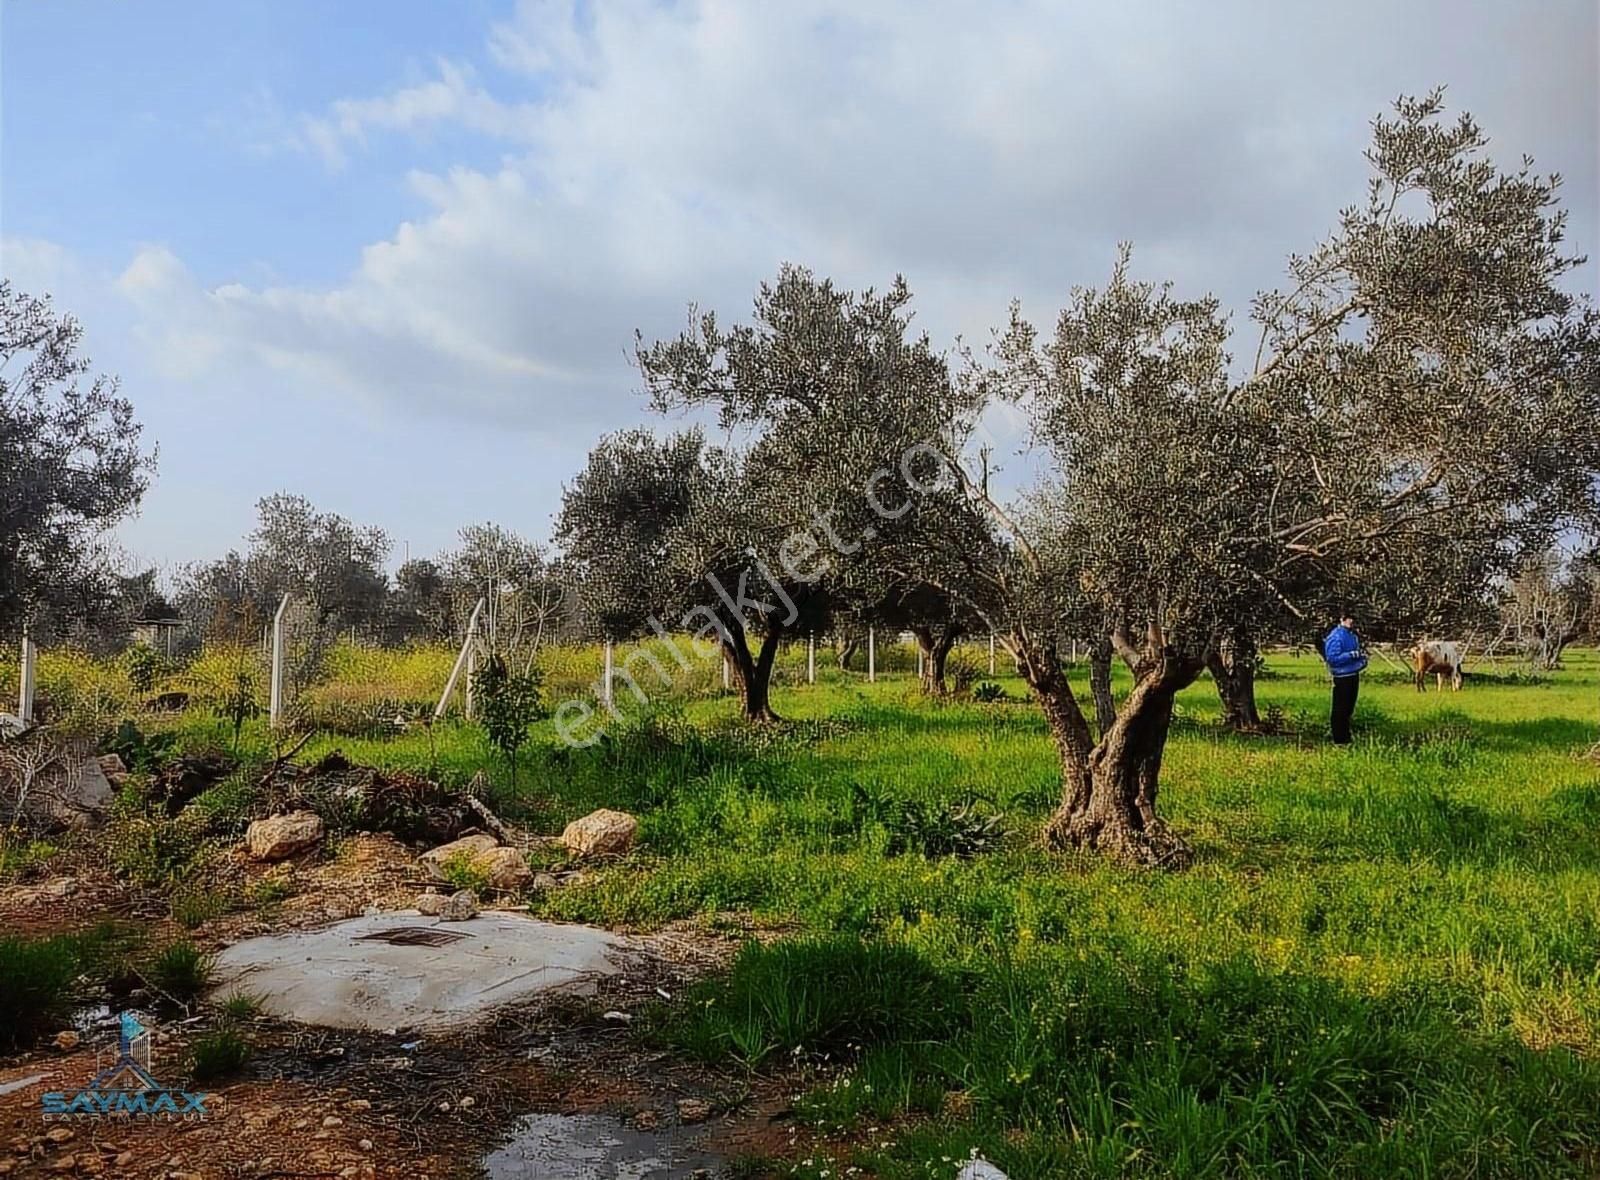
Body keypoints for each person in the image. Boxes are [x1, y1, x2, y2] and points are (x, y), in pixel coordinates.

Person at [1321, 613, 1368, 745]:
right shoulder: (1335, 636)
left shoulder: (1352, 636)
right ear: (1342, 619)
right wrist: (1351, 655)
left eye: (1353, 618)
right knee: (1340, 709)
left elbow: (1357, 653)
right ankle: (1339, 740)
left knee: (1348, 709)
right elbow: (1332, 659)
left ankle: (1346, 737)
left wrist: (1362, 660)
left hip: (1353, 675)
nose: (1351, 621)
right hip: (1342, 677)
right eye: (1348, 619)